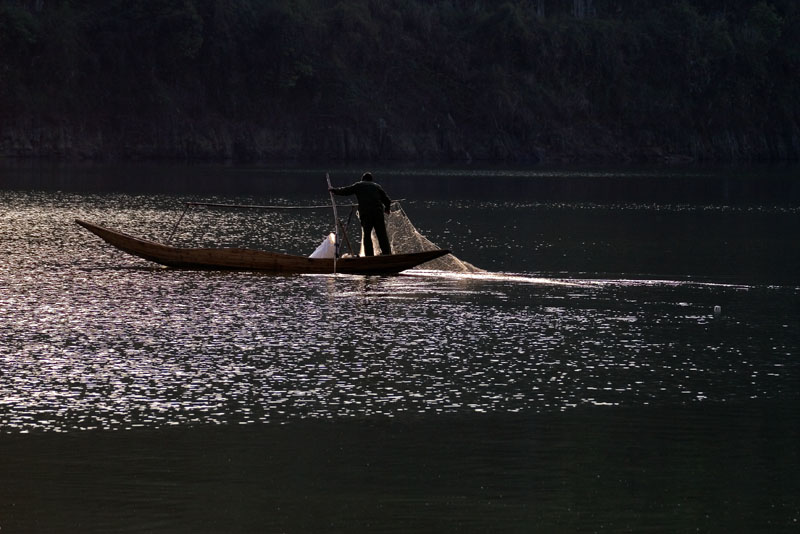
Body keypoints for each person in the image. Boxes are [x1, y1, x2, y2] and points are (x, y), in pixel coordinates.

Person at [329, 172, 392, 256]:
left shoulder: (359, 185)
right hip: (378, 213)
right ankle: (386, 254)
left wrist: (334, 190)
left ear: (362, 179)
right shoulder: (377, 186)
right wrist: (387, 208)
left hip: (366, 214)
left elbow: (346, 191)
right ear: (371, 180)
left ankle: (369, 256)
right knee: (382, 235)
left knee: (367, 235)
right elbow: (387, 200)